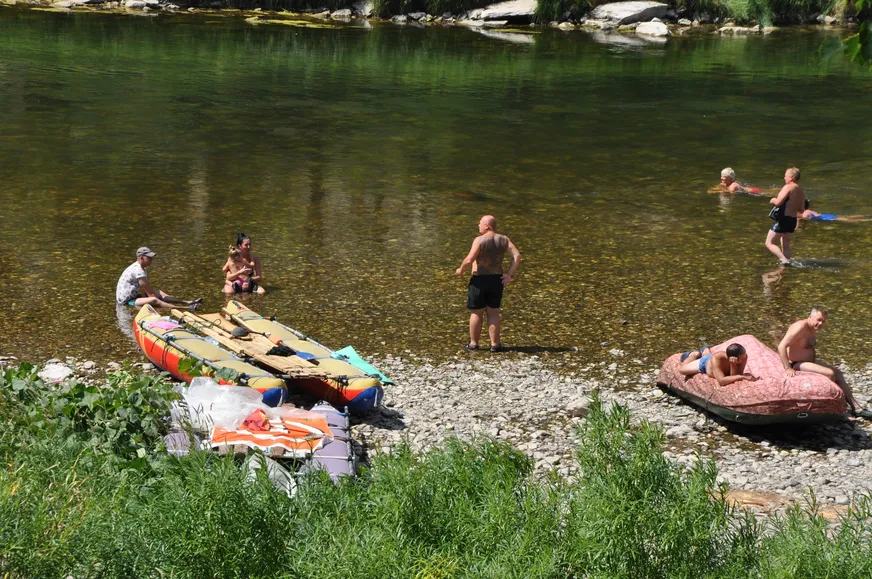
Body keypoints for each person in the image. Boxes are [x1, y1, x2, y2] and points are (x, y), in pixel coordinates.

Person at [777, 306, 872, 419]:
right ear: (810, 317)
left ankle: (857, 408)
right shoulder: (800, 327)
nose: (821, 323)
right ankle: (838, 410)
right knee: (830, 373)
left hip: (808, 362)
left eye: (823, 321)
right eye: (818, 320)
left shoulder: (811, 328)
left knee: (838, 373)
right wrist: (788, 368)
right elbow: (781, 346)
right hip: (796, 363)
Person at [455, 215, 521, 352]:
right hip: (496, 280)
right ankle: (495, 345)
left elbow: (469, 259)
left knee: (476, 313)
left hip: (479, 280)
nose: (478, 226)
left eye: (479, 223)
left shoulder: (479, 240)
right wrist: (508, 274)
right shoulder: (504, 239)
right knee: (493, 313)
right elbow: (517, 256)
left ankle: (473, 344)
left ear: (487, 226)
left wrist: (461, 270)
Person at [116, 247, 202, 310]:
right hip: (127, 301)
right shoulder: (138, 271)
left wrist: (159, 298)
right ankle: (185, 308)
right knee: (154, 299)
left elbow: (147, 290)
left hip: (133, 295)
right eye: (149, 258)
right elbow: (150, 293)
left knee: (160, 293)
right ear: (141, 257)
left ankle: (187, 302)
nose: (151, 260)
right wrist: (159, 302)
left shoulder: (141, 267)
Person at [765, 167, 805, 265]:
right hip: (792, 220)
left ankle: (785, 261)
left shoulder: (788, 187)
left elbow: (778, 202)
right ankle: (785, 266)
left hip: (783, 219)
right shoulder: (801, 191)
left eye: (785, 176)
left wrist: (772, 200)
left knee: (769, 243)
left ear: (791, 178)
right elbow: (801, 210)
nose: (784, 178)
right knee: (785, 244)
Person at [677, 343, 757, 386]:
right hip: (705, 364)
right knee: (682, 370)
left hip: (714, 360)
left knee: (708, 355)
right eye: (742, 359)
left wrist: (733, 365)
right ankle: (694, 354)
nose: (744, 359)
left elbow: (735, 374)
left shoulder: (743, 356)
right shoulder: (717, 358)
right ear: (734, 357)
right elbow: (721, 381)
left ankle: (705, 350)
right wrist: (743, 376)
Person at [799, 200, 871, 223]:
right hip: (827, 215)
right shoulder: (809, 210)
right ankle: (865, 215)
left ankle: (868, 219)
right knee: (847, 217)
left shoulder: (805, 213)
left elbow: (804, 218)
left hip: (828, 218)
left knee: (848, 220)